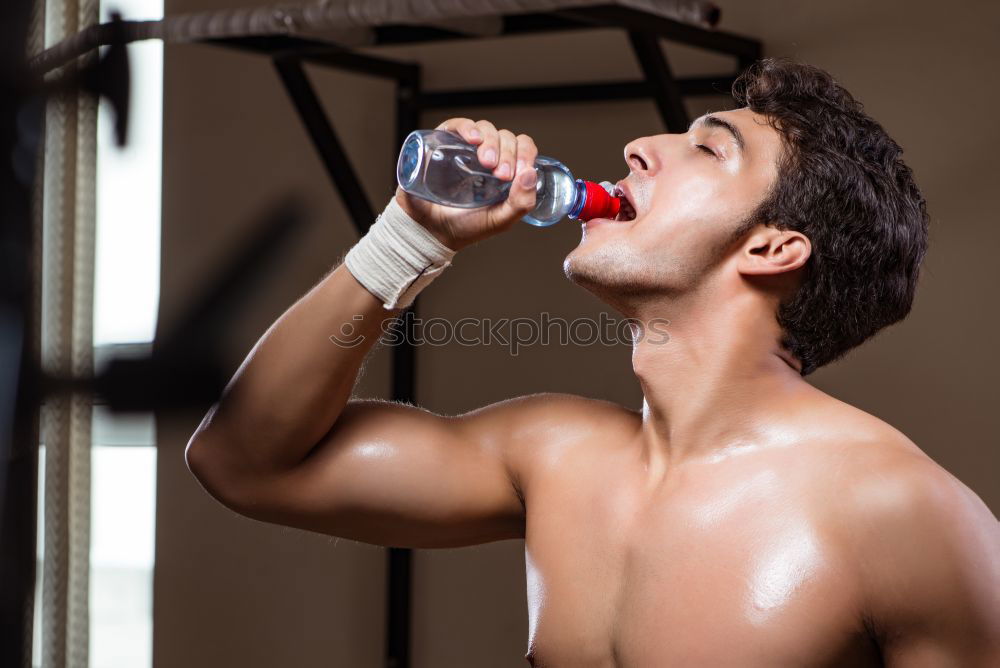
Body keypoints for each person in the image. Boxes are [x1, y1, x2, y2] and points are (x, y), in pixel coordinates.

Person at [185, 58, 1000, 666]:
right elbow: (244, 462)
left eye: (708, 152)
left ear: (772, 246)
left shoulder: (908, 517)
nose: (641, 148)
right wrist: (409, 237)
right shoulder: (556, 456)